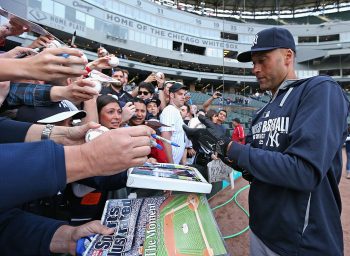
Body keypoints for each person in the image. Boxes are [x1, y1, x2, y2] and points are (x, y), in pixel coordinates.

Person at [183, 27, 349, 256]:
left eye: (263, 60)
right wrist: (216, 148)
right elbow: (252, 168)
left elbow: (304, 171)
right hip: (261, 229)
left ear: (288, 56)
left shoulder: (319, 90)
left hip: (302, 242)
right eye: (253, 62)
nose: (255, 69)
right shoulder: (263, 113)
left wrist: (229, 146)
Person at [160, 82, 187, 164]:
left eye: (184, 94)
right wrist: (171, 164)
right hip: (169, 164)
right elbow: (166, 139)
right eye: (180, 94)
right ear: (172, 95)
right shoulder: (169, 110)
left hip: (174, 163)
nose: (183, 97)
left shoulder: (175, 111)